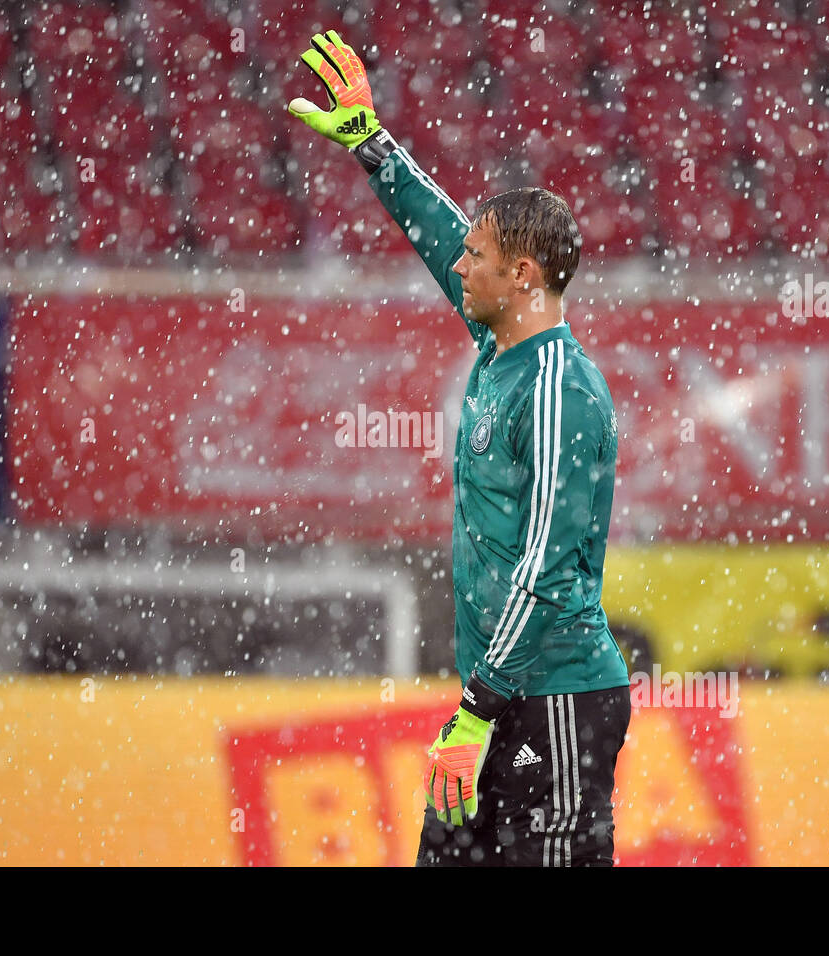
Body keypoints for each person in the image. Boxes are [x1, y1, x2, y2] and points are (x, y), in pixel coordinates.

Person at [287, 30, 632, 867]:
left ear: (522, 276)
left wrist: (477, 707)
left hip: (554, 701)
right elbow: (444, 237)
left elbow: (546, 571)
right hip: (502, 694)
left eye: (477, 258)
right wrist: (376, 148)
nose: (459, 266)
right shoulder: (499, 346)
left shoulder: (561, 391)